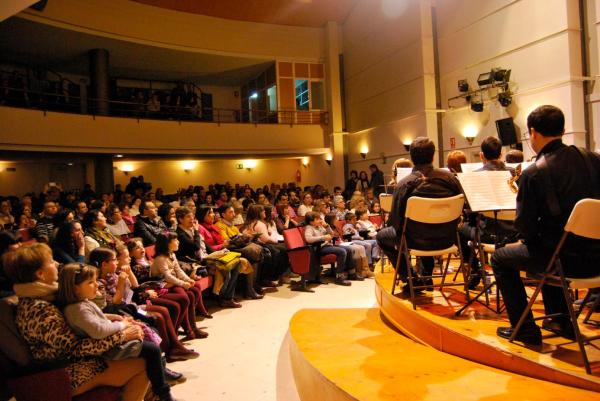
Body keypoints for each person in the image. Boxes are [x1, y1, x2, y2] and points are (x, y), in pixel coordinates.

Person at [492, 105, 600, 345]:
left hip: (566, 262)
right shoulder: (592, 159)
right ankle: (561, 320)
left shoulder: (534, 173)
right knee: (549, 243)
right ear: (563, 129)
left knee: (501, 257)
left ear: (533, 132)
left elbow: (525, 227)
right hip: (597, 257)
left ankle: (525, 330)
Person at [3, 244, 150, 401]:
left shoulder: (45, 296)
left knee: (142, 349)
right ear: (40, 274)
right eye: (51, 262)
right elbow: (74, 348)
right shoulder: (39, 309)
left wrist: (111, 320)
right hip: (64, 372)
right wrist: (121, 335)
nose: (57, 264)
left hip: (71, 363)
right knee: (142, 365)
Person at [57, 263, 177, 401]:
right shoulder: (77, 309)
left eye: (96, 280)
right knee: (151, 350)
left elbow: (97, 318)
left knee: (149, 336)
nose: (97, 285)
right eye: (91, 282)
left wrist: (115, 318)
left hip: (109, 342)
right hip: (107, 350)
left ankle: (159, 377)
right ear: (75, 288)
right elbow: (99, 331)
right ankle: (163, 392)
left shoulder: (83, 303)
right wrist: (122, 324)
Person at [376, 137, 462, 291]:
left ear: (412, 157)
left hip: (415, 241)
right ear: (433, 156)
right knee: (424, 227)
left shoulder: (403, 184)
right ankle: (426, 275)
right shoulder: (450, 179)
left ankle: (409, 278)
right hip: (448, 238)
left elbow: (395, 223)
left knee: (383, 236)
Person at [461, 136, 518, 289]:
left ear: (481, 156)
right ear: (501, 154)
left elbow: (471, 210)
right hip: (514, 233)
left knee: (459, 229)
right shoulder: (514, 173)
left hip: (488, 234)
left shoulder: (475, 176)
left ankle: (476, 270)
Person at [303, 211, 359, 286]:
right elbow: (308, 239)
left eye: (320, 218)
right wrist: (323, 237)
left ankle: (352, 273)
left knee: (348, 249)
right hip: (319, 248)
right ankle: (339, 277)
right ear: (311, 222)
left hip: (327, 245)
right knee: (342, 251)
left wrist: (326, 226)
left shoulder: (319, 226)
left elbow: (332, 234)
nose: (320, 220)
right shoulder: (309, 228)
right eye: (317, 219)